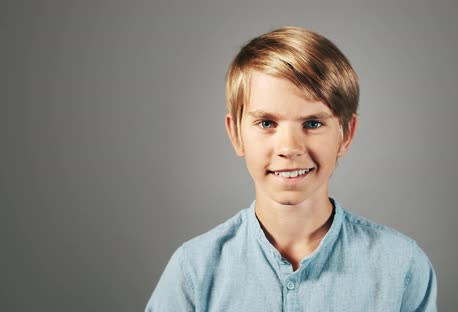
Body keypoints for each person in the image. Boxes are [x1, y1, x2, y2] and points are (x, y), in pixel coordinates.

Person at [146, 26, 437, 312]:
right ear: (236, 135)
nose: (289, 147)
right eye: (266, 123)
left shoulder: (402, 267)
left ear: (346, 134)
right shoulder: (192, 271)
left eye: (313, 123)